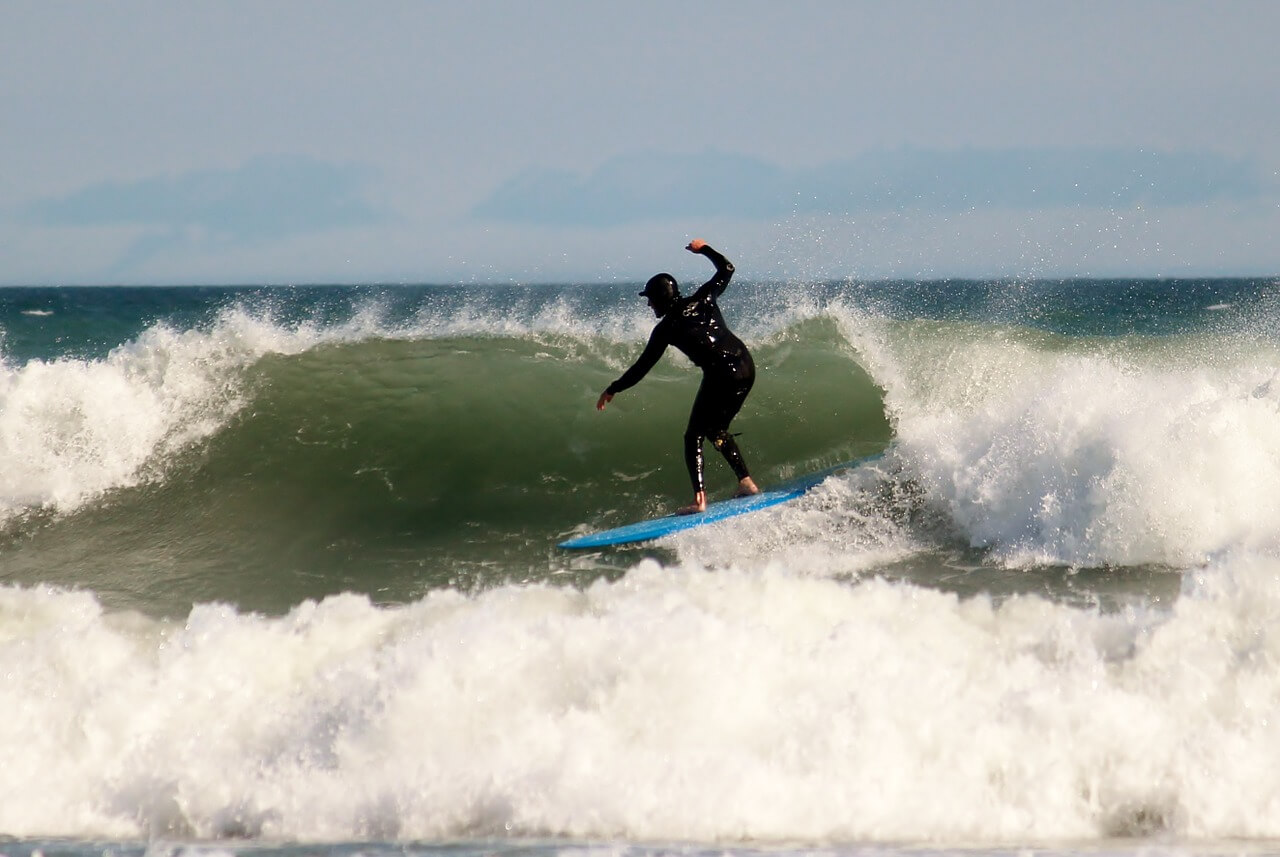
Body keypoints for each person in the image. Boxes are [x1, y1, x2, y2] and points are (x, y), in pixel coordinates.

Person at [596, 239, 760, 514]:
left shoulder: (667, 328)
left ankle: (700, 501)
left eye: (649, 299)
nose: (649, 305)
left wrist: (612, 388)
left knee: (693, 436)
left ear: (659, 299)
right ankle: (746, 483)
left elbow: (641, 367)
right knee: (716, 429)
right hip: (745, 366)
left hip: (721, 375)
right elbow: (727, 268)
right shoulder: (704, 297)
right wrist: (704, 249)